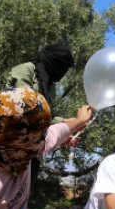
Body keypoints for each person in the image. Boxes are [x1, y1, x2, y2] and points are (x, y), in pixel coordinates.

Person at [9, 44, 75, 189]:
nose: (62, 72)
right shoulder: (25, 70)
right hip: (11, 148)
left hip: (35, 154)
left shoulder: (51, 86)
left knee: (20, 202)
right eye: (62, 66)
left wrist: (64, 127)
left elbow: (46, 116)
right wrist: (65, 124)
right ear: (53, 61)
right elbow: (27, 108)